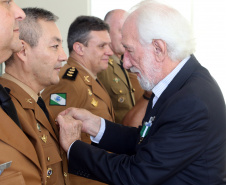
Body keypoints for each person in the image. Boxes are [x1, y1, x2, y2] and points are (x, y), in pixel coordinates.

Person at [56, 0, 226, 184]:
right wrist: (97, 126)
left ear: (158, 49)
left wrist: (74, 147)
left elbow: (137, 175)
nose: (126, 63)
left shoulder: (192, 101)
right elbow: (147, 139)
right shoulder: (179, 83)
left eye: (129, 50)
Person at [0, 7, 70, 185]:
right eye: (55, 46)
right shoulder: (7, 107)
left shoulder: (34, 100)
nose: (63, 56)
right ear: (23, 51)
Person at [42, 15, 114, 185]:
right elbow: (49, 134)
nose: (110, 52)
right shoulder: (69, 81)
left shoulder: (89, 78)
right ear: (79, 48)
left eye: (109, 45)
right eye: (102, 46)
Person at [97, 9, 147, 124]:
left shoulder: (124, 64)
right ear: (106, 32)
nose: (127, 38)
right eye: (121, 31)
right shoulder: (102, 66)